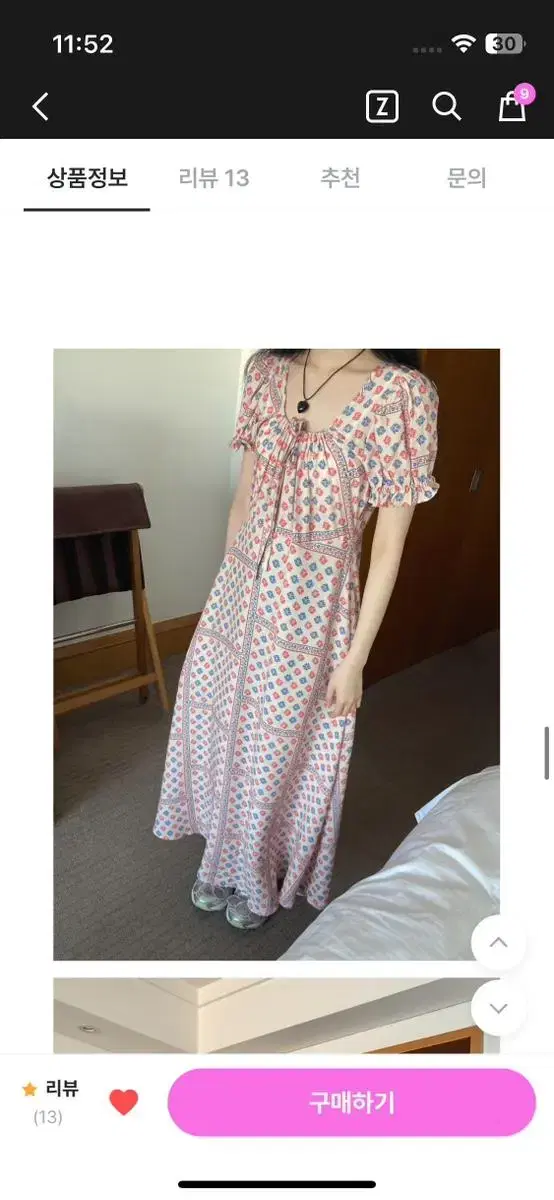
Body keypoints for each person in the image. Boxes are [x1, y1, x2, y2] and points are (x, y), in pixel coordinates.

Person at [153, 349, 439, 930]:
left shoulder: (402, 395)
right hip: (239, 592)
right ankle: (222, 854)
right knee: (218, 726)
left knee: (279, 749)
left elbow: (388, 548)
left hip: (313, 610)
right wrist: (226, 598)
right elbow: (243, 501)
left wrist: (355, 660)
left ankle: (257, 875)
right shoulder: (264, 371)